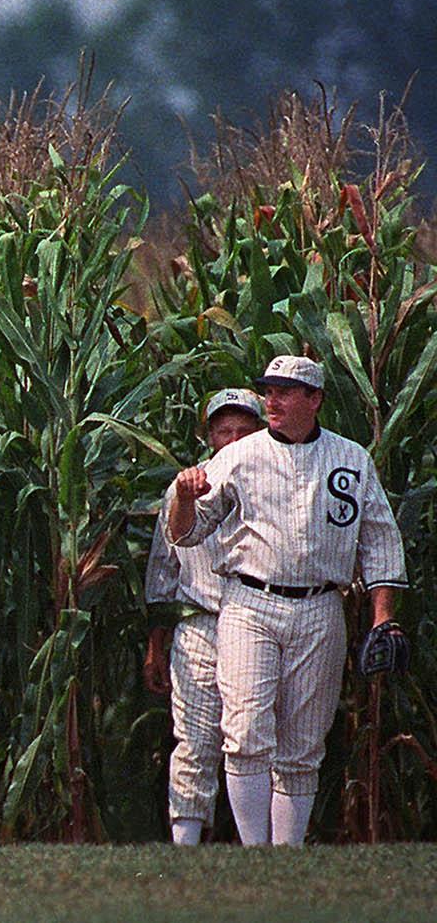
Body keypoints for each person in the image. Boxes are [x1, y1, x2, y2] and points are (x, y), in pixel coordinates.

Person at [169, 356, 406, 845]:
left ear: (314, 399)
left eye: (284, 391)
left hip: (322, 606)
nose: (271, 401)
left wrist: (383, 618)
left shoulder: (351, 458)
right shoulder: (239, 455)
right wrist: (185, 498)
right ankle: (257, 857)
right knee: (246, 732)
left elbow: (380, 540)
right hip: (250, 602)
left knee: (302, 745)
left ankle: (287, 857)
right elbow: (187, 534)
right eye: (268, 391)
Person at [143, 388, 265, 846]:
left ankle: (260, 844)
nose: (232, 438)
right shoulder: (183, 488)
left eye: (243, 430)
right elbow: (162, 571)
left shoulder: (273, 482)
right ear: (209, 434)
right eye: (223, 429)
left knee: (252, 738)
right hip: (199, 622)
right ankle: (186, 844)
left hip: (257, 619)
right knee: (193, 738)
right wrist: (156, 644)